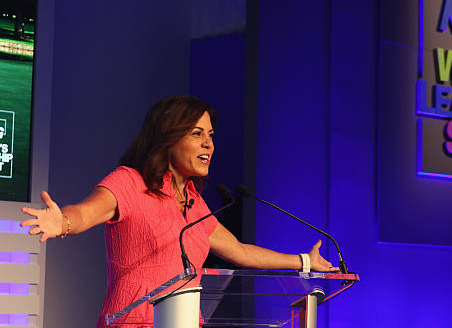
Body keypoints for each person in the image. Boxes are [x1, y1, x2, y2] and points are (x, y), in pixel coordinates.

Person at [20, 95, 337, 328]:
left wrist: (305, 261)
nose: (208, 145)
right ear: (168, 138)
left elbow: (239, 251)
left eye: (210, 136)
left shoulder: (194, 203)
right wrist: (63, 221)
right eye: (197, 134)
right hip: (131, 323)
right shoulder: (131, 183)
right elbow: (87, 212)